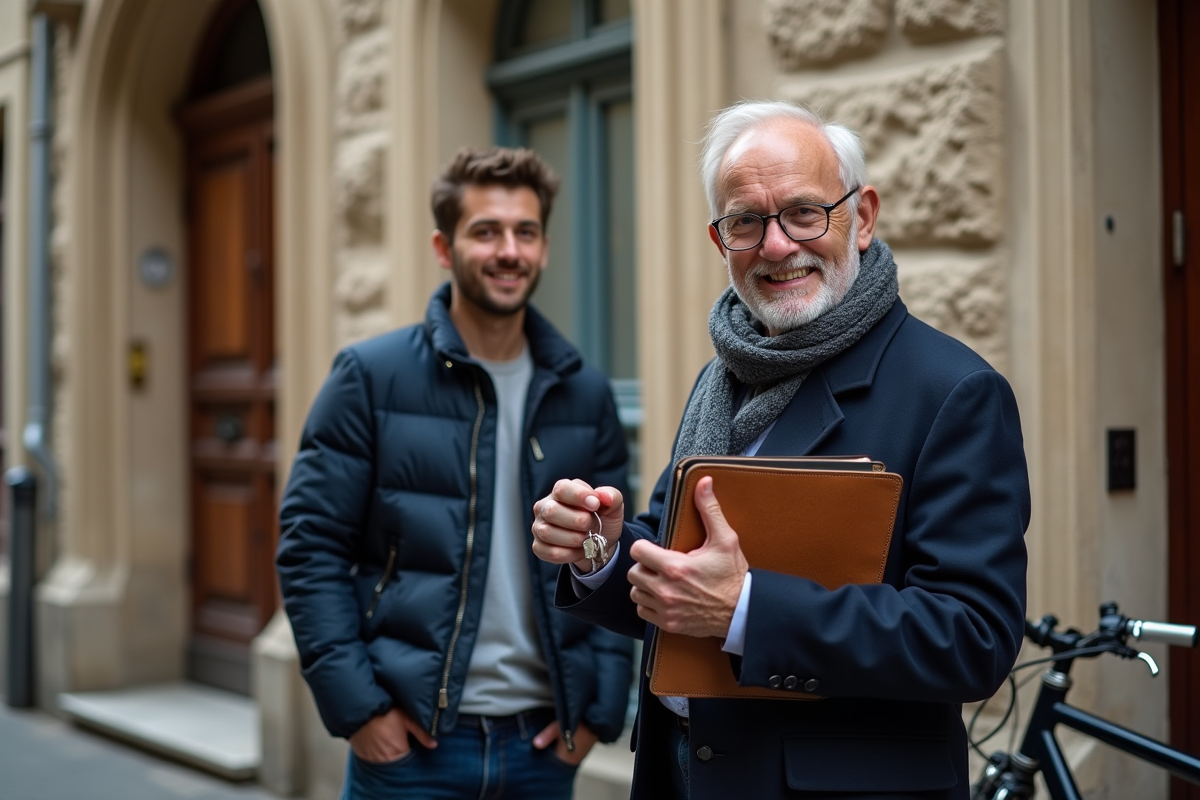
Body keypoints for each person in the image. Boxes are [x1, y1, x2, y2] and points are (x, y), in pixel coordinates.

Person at [531, 100, 1030, 800]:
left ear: (863, 217)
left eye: (803, 211)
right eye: (747, 222)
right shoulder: (723, 373)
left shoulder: (955, 391)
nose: (775, 246)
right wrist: (605, 551)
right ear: (721, 239)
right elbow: (681, 573)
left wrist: (744, 610)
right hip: (680, 773)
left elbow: (973, 638)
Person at [277, 146, 634, 800]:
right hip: (413, 749)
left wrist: (599, 711)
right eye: (486, 231)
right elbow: (310, 548)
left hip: (542, 750)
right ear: (444, 248)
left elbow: (609, 560)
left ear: (545, 248)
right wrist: (360, 711)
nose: (509, 250)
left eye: (525, 232)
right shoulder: (369, 377)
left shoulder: (584, 392)